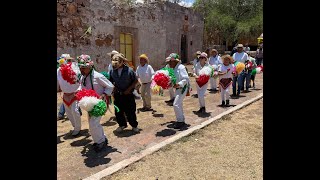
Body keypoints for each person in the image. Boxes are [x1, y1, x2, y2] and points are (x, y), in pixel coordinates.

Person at [78, 54, 114, 152]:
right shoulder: (82, 77)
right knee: (93, 123)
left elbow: (110, 86)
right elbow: (81, 87)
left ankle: (100, 142)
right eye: (80, 68)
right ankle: (101, 138)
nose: (81, 70)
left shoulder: (98, 76)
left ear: (90, 67)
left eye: (84, 68)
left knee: (94, 124)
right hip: (89, 105)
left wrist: (103, 95)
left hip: (99, 104)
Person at [109, 53, 140, 133]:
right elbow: (110, 80)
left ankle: (134, 125)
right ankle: (122, 125)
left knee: (130, 111)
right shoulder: (112, 71)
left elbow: (135, 81)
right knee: (118, 111)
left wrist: (129, 89)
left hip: (128, 95)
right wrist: (113, 87)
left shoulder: (129, 70)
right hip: (118, 95)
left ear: (122, 62)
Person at [57, 54, 82, 136]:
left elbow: (78, 78)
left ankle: (77, 128)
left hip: (75, 93)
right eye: (64, 60)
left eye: (68, 60)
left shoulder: (74, 68)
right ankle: (75, 126)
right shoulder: (58, 70)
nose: (66, 62)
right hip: (65, 94)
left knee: (75, 111)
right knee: (68, 113)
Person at [166, 53, 190, 129]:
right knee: (178, 104)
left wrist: (179, 84)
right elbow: (173, 79)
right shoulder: (174, 68)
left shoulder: (181, 68)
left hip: (182, 88)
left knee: (176, 104)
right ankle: (181, 120)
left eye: (170, 61)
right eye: (169, 62)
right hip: (178, 88)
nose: (169, 63)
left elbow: (186, 79)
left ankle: (180, 121)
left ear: (175, 61)